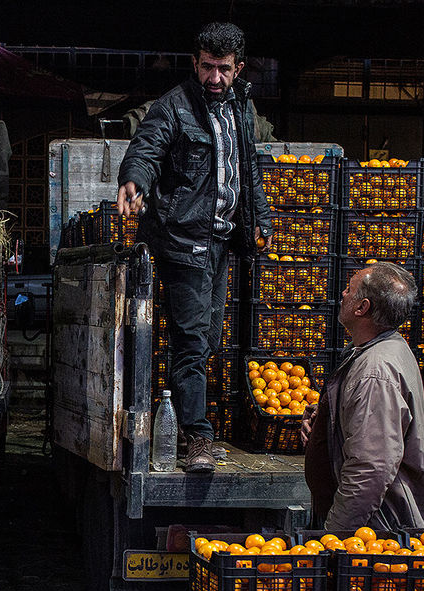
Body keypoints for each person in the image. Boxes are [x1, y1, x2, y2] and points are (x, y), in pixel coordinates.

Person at [117, 21, 273, 472]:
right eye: (207, 67)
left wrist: (259, 219)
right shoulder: (175, 106)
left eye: (224, 69)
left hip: (221, 243)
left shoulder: (242, 108)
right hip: (181, 241)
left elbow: (249, 174)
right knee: (190, 338)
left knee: (207, 337)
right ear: (195, 63)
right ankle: (198, 438)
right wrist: (134, 180)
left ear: (238, 68)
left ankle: (183, 423)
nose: (215, 78)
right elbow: (146, 148)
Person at [301, 262, 424, 531]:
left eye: (349, 290)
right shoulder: (381, 349)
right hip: (369, 525)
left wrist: (335, 536)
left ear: (362, 307)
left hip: (374, 531)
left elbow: (370, 469)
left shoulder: (376, 372)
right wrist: (328, 420)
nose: (342, 293)